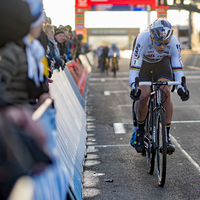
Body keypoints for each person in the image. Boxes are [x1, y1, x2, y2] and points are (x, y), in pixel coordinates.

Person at [129, 18, 190, 154]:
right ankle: (139, 132)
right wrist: (134, 87)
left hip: (161, 63)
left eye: (165, 43)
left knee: (166, 93)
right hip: (143, 64)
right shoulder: (142, 39)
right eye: (158, 43)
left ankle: (166, 137)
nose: (162, 46)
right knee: (143, 95)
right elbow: (134, 69)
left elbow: (177, 68)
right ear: (151, 37)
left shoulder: (173, 42)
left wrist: (181, 88)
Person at [0, 0, 49, 107]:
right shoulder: (13, 51)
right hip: (13, 120)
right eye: (40, 22)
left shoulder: (33, 49)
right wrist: (9, 110)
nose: (41, 26)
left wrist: (42, 92)